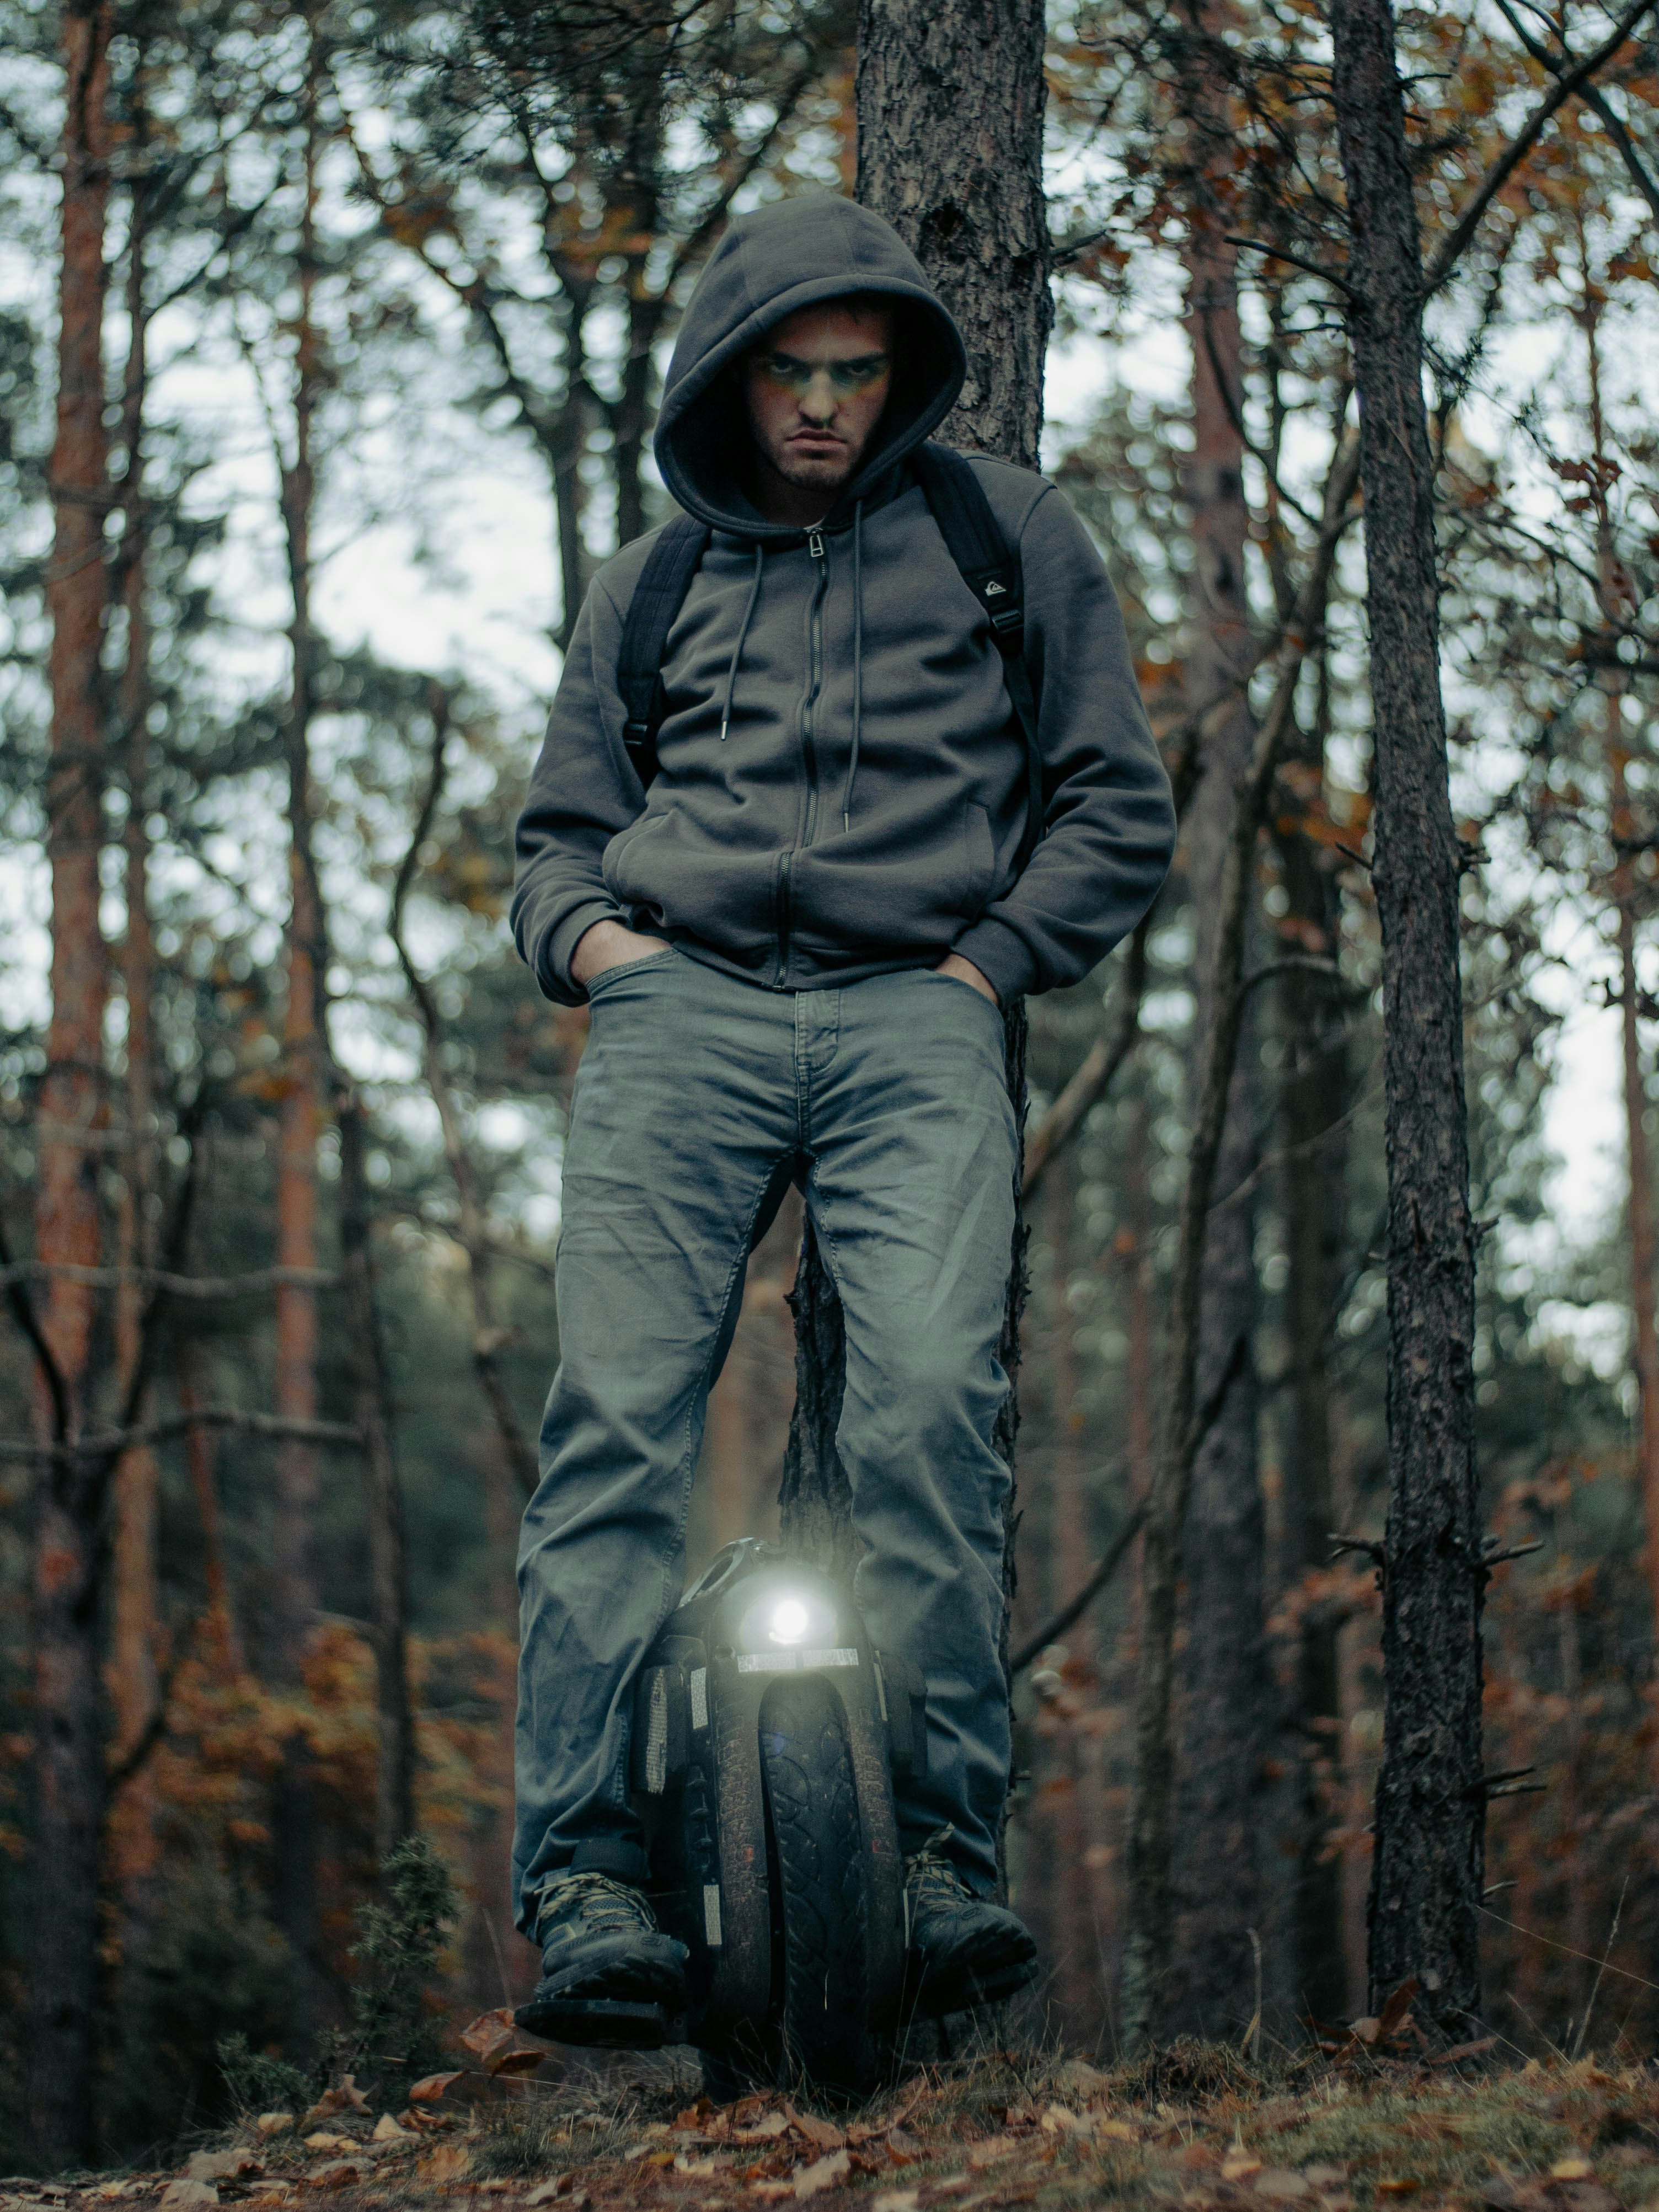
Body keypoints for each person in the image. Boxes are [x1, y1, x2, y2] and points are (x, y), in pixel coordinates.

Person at [509, 194, 1175, 2045]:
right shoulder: (651, 579)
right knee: (615, 1426)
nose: (821, 406)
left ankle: (945, 1856)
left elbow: (1116, 796)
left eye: (855, 373)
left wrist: (988, 967)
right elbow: (555, 836)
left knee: (930, 1415)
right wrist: (607, 954)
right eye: (790, 373)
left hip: (914, 1006)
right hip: (684, 1011)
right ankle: (581, 1883)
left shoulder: (1002, 531)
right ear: (734, 378)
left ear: (900, 377)